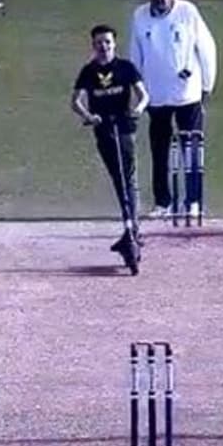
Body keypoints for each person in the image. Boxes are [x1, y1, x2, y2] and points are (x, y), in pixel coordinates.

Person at [128, 0, 217, 221]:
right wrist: (138, 91)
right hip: (155, 95)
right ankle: (163, 202)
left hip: (187, 93)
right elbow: (135, 54)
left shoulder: (188, 12)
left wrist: (207, 85)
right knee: (160, 151)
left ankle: (193, 201)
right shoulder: (139, 16)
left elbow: (207, 48)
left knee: (191, 150)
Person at [71, 23, 150, 271]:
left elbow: (143, 95)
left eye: (107, 42)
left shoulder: (125, 68)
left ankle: (132, 228)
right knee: (118, 178)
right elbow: (75, 101)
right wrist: (89, 115)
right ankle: (130, 226)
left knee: (129, 178)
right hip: (103, 129)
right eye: (98, 43)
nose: (103, 47)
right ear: (93, 46)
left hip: (125, 128)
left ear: (114, 44)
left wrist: (137, 108)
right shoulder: (88, 71)